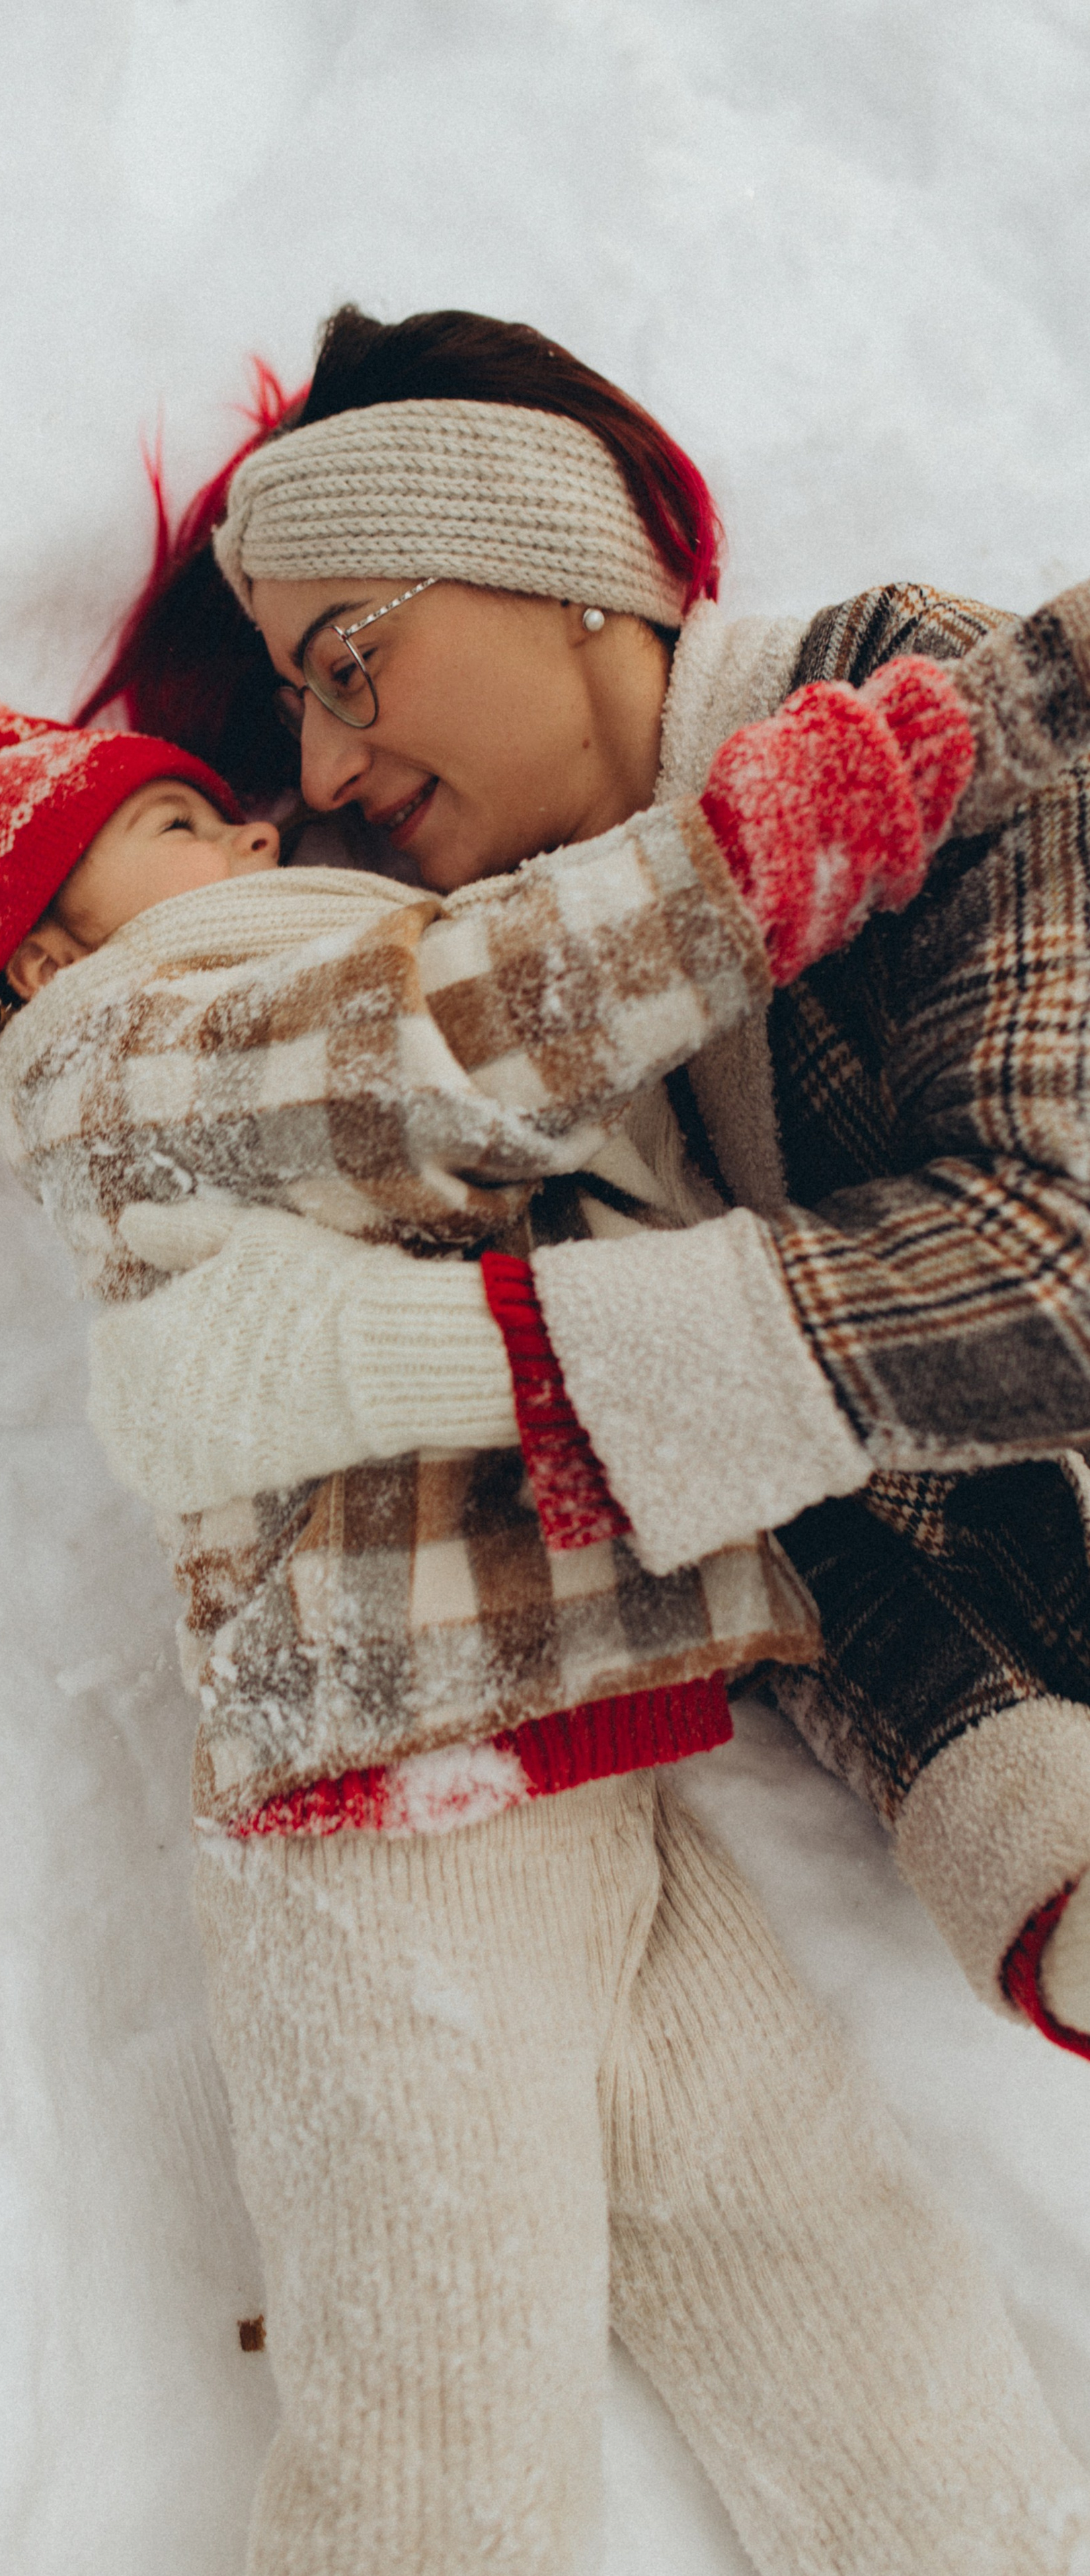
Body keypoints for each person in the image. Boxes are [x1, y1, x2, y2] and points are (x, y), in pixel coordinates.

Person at [0, 666, 1090, 2576]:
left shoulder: (291, 1018)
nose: (255, 825)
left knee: (825, 2259)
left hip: (597, 1790)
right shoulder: (143, 1064)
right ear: (45, 956)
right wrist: (750, 856)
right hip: (381, 1850)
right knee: (444, 2409)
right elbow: (447, 1037)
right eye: (178, 827)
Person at [82, 302, 1090, 2060]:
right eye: (295, 711)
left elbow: (1057, 1274)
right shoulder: (556, 1032)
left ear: (562, 570)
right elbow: (793, 1527)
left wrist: (489, 1358)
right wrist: (1017, 1841)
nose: (320, 770)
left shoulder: (917, 706)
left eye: (348, 661)